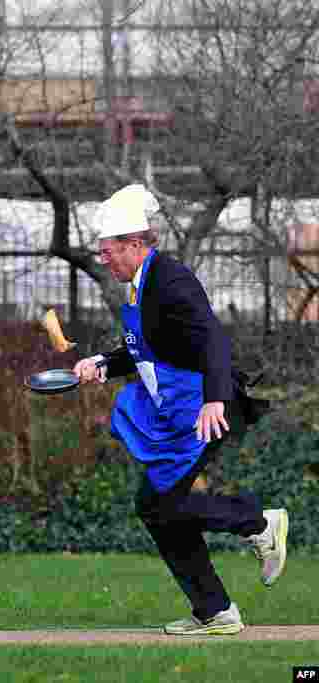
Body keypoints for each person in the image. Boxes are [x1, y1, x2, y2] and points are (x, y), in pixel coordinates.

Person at [72, 184, 288, 636]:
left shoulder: (170, 279)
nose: (102, 258)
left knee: (161, 505)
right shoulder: (139, 287)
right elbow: (145, 348)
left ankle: (259, 523)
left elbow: (211, 336)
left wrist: (214, 398)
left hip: (203, 409)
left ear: (135, 244)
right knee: (155, 507)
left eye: (107, 250)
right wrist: (102, 364)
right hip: (176, 411)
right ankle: (216, 612)